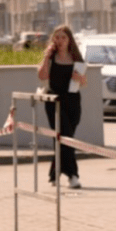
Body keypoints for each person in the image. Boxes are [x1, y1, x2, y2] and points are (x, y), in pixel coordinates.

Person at [37, 25, 86, 189]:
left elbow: (84, 82)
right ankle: (73, 175)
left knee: (64, 139)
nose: (60, 41)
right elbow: (42, 76)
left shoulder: (76, 58)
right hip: (54, 102)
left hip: (72, 102)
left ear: (69, 40)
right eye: (56, 37)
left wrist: (79, 78)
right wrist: (46, 57)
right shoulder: (51, 58)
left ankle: (54, 175)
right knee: (65, 138)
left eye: (63, 37)